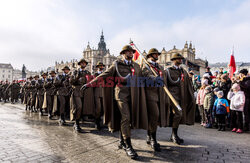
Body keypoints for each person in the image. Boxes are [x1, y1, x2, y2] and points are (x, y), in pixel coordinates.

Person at [82, 45, 148, 159]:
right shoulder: (116, 64)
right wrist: (90, 83)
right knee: (126, 117)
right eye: (128, 52)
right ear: (123, 53)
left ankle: (122, 141)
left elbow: (143, 77)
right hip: (121, 95)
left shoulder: (136, 66)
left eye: (131, 51)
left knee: (127, 119)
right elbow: (104, 75)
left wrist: (154, 77)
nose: (130, 53)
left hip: (134, 96)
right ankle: (128, 145)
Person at [142, 48, 169, 151]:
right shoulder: (146, 66)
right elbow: (146, 75)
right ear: (150, 56)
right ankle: (153, 139)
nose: (157, 56)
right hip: (150, 94)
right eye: (155, 54)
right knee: (155, 114)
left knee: (154, 117)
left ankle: (149, 135)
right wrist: (155, 78)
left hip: (160, 94)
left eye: (157, 54)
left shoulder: (160, 67)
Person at [165, 53, 195, 145]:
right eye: (178, 59)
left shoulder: (183, 71)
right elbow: (165, 85)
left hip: (181, 96)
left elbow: (188, 84)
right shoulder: (168, 71)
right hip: (172, 97)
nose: (180, 60)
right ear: (174, 60)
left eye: (181, 58)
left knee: (179, 115)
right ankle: (174, 135)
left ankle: (174, 134)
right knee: (178, 113)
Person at [70, 59, 95, 132]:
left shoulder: (88, 72)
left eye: (84, 63)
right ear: (79, 64)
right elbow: (71, 82)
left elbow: (90, 82)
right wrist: (77, 76)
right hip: (77, 91)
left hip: (86, 92)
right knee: (79, 107)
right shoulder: (75, 72)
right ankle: (76, 123)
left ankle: (79, 120)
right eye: (82, 63)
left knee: (84, 107)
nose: (83, 64)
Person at [93, 61, 105, 130]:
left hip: (103, 92)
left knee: (103, 108)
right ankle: (96, 122)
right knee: (98, 108)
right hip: (97, 92)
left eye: (102, 66)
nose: (101, 67)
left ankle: (100, 121)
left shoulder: (105, 74)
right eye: (100, 66)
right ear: (97, 67)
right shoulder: (95, 74)